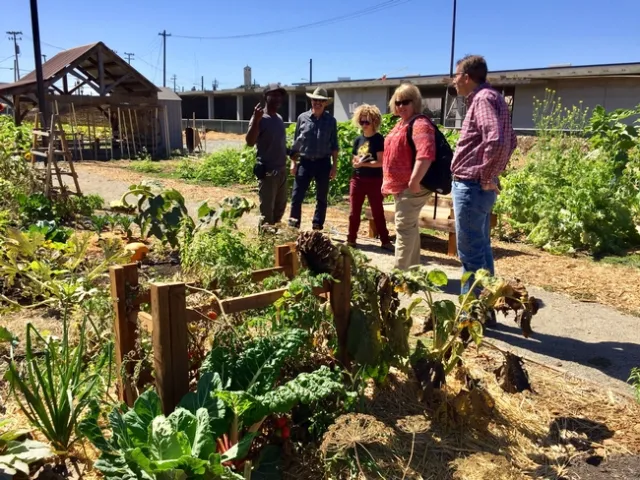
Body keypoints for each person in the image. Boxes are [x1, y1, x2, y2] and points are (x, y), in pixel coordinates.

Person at [451, 54, 517, 296]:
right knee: (482, 250)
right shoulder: (494, 98)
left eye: (456, 76)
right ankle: (487, 309)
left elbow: (498, 140)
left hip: (472, 186)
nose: (454, 81)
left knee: (470, 256)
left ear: (466, 77)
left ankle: (471, 314)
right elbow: (511, 140)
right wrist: (492, 175)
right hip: (479, 187)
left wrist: (487, 176)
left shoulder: (482, 99)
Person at [382, 83, 436, 270]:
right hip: (402, 186)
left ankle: (399, 275)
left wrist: (414, 181)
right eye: (398, 102)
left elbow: (425, 154)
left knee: (403, 227)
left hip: (412, 186)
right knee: (409, 227)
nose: (401, 106)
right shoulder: (401, 124)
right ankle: (412, 271)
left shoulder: (419, 123)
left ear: (415, 103)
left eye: (406, 101)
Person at [288, 87, 339, 230]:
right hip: (305, 162)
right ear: (311, 101)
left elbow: (334, 145)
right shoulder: (302, 118)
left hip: (323, 163)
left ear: (325, 103)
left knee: (321, 198)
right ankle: (293, 226)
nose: (318, 103)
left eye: (321, 101)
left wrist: (334, 166)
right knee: (296, 196)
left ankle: (317, 226)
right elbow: (295, 144)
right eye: (315, 100)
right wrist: (293, 162)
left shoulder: (331, 121)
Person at [347, 104, 393, 251]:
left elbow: (381, 162)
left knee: (377, 211)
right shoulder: (357, 140)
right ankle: (351, 239)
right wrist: (356, 163)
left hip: (374, 180)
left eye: (367, 122)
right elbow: (355, 159)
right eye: (361, 122)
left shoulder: (379, 139)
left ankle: (385, 241)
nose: (364, 125)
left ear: (374, 122)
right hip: (358, 179)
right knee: (354, 212)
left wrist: (364, 165)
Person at [245, 83, 289, 227]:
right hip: (268, 173)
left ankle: (274, 243)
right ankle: (263, 245)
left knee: (279, 212)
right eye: (274, 95)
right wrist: (256, 120)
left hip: (281, 172)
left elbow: (278, 144)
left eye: (280, 95)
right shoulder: (260, 118)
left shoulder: (279, 119)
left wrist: (290, 152)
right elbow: (250, 142)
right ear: (266, 97)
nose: (278, 98)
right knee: (266, 214)